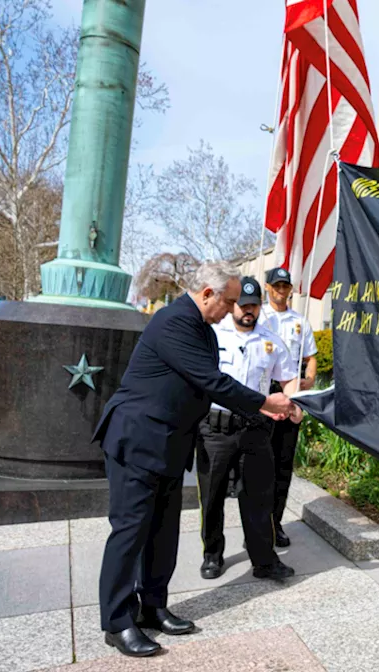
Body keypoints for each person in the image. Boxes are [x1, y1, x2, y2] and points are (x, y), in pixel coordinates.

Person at [93, 262, 297, 658]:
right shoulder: (175, 322)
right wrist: (264, 401)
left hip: (169, 445)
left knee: (163, 532)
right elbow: (211, 380)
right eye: (230, 301)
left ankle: (152, 606)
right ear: (207, 293)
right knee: (130, 532)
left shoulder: (201, 327)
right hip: (138, 440)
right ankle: (117, 622)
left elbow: (205, 385)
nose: (233, 309)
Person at [198, 278, 296, 582]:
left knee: (258, 497)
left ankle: (264, 560)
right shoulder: (212, 335)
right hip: (216, 428)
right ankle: (212, 555)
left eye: (254, 305)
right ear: (234, 305)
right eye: (243, 304)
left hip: (255, 428)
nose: (248, 311)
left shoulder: (271, 340)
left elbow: (289, 377)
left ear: (259, 307)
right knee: (211, 496)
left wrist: (290, 403)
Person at [259, 267, 318, 548]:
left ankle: (275, 524)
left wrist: (309, 379)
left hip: (290, 392)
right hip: (262, 392)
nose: (281, 291)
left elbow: (311, 357)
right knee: (260, 464)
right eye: (277, 286)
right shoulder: (258, 316)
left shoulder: (300, 321)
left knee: (283, 463)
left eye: (286, 286)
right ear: (267, 288)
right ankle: (256, 525)